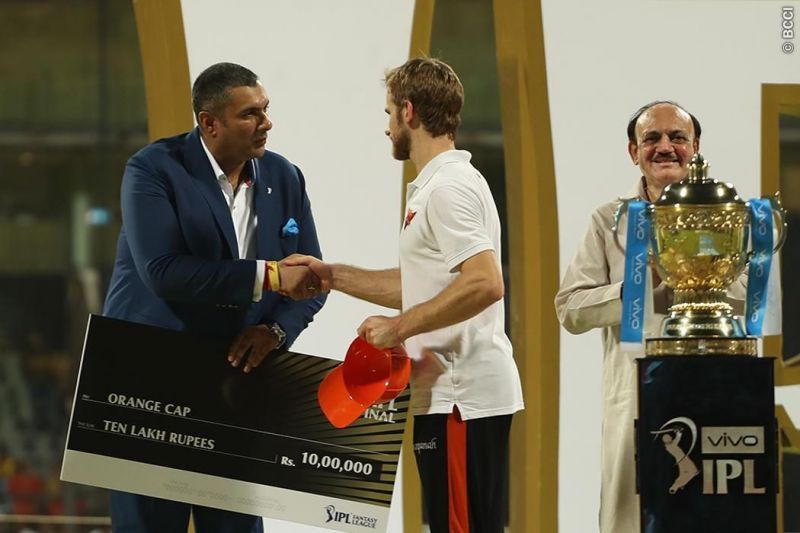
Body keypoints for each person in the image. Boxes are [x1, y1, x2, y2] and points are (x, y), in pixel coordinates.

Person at [287, 58, 523, 533]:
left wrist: (397, 328)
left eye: (389, 112)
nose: (387, 126)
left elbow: (484, 282)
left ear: (409, 112)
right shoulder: (439, 186)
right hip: (446, 397)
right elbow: (420, 284)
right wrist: (330, 275)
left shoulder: (448, 189)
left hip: (461, 399)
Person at [102, 62, 326, 532]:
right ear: (210, 123)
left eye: (265, 110)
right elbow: (163, 272)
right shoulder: (152, 169)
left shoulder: (285, 177)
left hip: (232, 386)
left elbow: (310, 282)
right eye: (250, 114)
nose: (266, 123)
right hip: (148, 382)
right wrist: (269, 276)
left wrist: (274, 329)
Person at [554, 101, 745, 533]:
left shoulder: (726, 218)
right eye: (652, 138)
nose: (666, 147)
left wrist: (693, 271)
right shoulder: (609, 221)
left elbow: (750, 301)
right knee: (630, 521)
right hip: (636, 399)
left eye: (677, 137)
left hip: (716, 394)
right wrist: (637, 285)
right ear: (632, 151)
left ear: (695, 147)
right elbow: (570, 309)